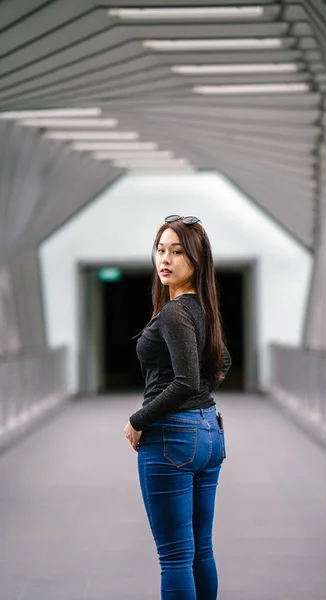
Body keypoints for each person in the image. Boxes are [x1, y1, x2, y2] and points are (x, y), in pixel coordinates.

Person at [123, 214, 232, 600]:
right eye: (161, 249)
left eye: (177, 252)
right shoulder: (202, 308)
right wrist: (202, 396)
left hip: (172, 438)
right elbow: (222, 363)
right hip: (208, 434)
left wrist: (138, 419)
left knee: (174, 556)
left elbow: (184, 381)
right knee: (200, 548)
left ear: (196, 261)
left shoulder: (174, 312)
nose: (164, 259)